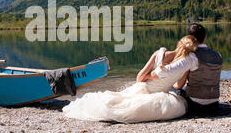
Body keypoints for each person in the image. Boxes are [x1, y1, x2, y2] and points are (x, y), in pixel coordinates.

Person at [62, 35, 199, 123]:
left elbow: (140, 78)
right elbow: (177, 86)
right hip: (161, 94)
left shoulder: (160, 54)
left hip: (145, 88)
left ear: (179, 43)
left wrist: (151, 76)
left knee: (119, 102)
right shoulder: (186, 64)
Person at [173, 23, 223, 116]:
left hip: (194, 105)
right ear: (205, 37)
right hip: (214, 104)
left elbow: (179, 85)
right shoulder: (218, 55)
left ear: (189, 38)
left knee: (173, 89)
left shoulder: (191, 56)